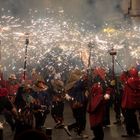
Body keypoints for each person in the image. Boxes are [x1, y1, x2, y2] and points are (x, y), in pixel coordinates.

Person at [120, 68, 140, 137]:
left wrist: (124, 73)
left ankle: (130, 132)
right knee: (133, 117)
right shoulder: (138, 80)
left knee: (128, 118)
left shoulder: (130, 81)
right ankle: (136, 131)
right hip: (135, 102)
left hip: (129, 102)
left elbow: (122, 79)